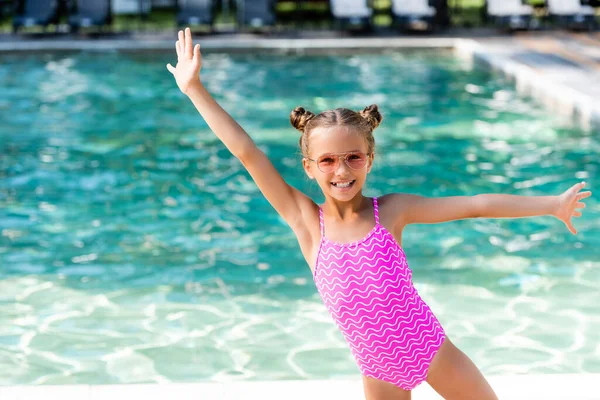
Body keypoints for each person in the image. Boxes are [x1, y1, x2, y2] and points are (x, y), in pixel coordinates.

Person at [166, 28, 592, 400]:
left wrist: (551, 206)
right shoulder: (306, 223)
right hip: (379, 369)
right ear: (309, 168)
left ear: (370, 159)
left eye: (353, 157)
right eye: (328, 160)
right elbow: (247, 152)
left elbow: (476, 205)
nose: (342, 170)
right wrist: (195, 90)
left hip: (430, 349)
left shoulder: (391, 211)